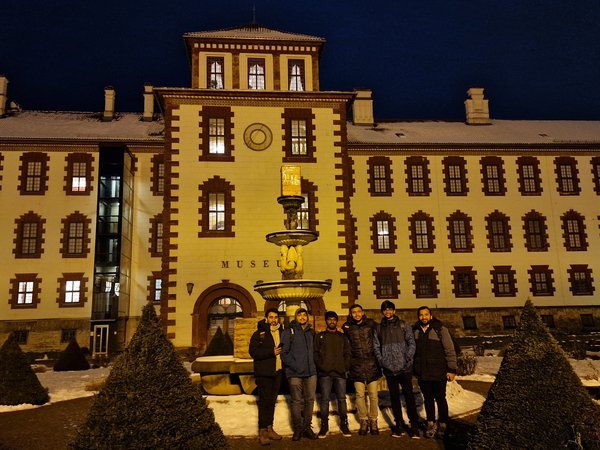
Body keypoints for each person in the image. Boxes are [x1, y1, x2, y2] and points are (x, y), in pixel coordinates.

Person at [373, 300, 421, 438]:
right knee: (394, 398)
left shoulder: (403, 324)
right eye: (385, 310)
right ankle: (399, 424)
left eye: (390, 309)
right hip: (389, 368)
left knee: (409, 396)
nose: (388, 312)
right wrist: (382, 360)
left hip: (404, 368)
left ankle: (414, 425)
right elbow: (376, 346)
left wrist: (408, 358)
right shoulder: (379, 328)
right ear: (382, 312)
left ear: (394, 310)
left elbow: (411, 342)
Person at [413, 306, 457, 439]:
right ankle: (431, 423)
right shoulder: (414, 331)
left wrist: (451, 369)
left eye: (426, 314)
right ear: (418, 317)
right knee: (428, 399)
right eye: (421, 315)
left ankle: (443, 423)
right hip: (423, 372)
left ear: (430, 316)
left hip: (439, 371)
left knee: (440, 399)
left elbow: (449, 350)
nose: (424, 317)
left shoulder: (440, 329)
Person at [342, 303, 381, 436]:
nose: (357, 314)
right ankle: (363, 420)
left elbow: (378, 340)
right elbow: (347, 347)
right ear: (351, 314)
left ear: (363, 312)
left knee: (373, 396)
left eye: (359, 311)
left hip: (371, 364)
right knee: (359, 395)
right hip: (356, 364)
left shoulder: (371, 324)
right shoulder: (347, 327)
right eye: (354, 312)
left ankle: (374, 420)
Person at [248, 308, 285, 446]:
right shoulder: (259, 333)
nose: (274, 319)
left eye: (276, 317)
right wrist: (271, 352)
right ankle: (262, 431)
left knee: (271, 401)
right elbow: (253, 352)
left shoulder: (282, 332)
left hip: (278, 372)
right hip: (264, 373)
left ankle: (269, 428)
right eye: (271, 317)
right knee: (264, 402)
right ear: (266, 318)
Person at [280, 308, 318, 441]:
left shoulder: (311, 332)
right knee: (296, 401)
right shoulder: (288, 332)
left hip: (311, 372)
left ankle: (307, 427)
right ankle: (297, 428)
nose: (302, 317)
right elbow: (284, 353)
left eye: (304, 315)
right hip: (295, 373)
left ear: (307, 317)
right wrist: (295, 366)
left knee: (309, 400)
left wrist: (315, 365)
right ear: (295, 317)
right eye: (299, 315)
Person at [314, 310, 352, 438]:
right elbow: (316, 354)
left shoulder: (342, 337)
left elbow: (348, 353)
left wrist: (345, 366)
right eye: (329, 319)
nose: (332, 321)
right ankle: (324, 425)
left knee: (342, 399)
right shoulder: (320, 336)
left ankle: (344, 424)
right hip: (325, 373)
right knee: (324, 400)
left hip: (340, 372)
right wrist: (322, 366)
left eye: (334, 319)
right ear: (326, 321)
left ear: (337, 321)